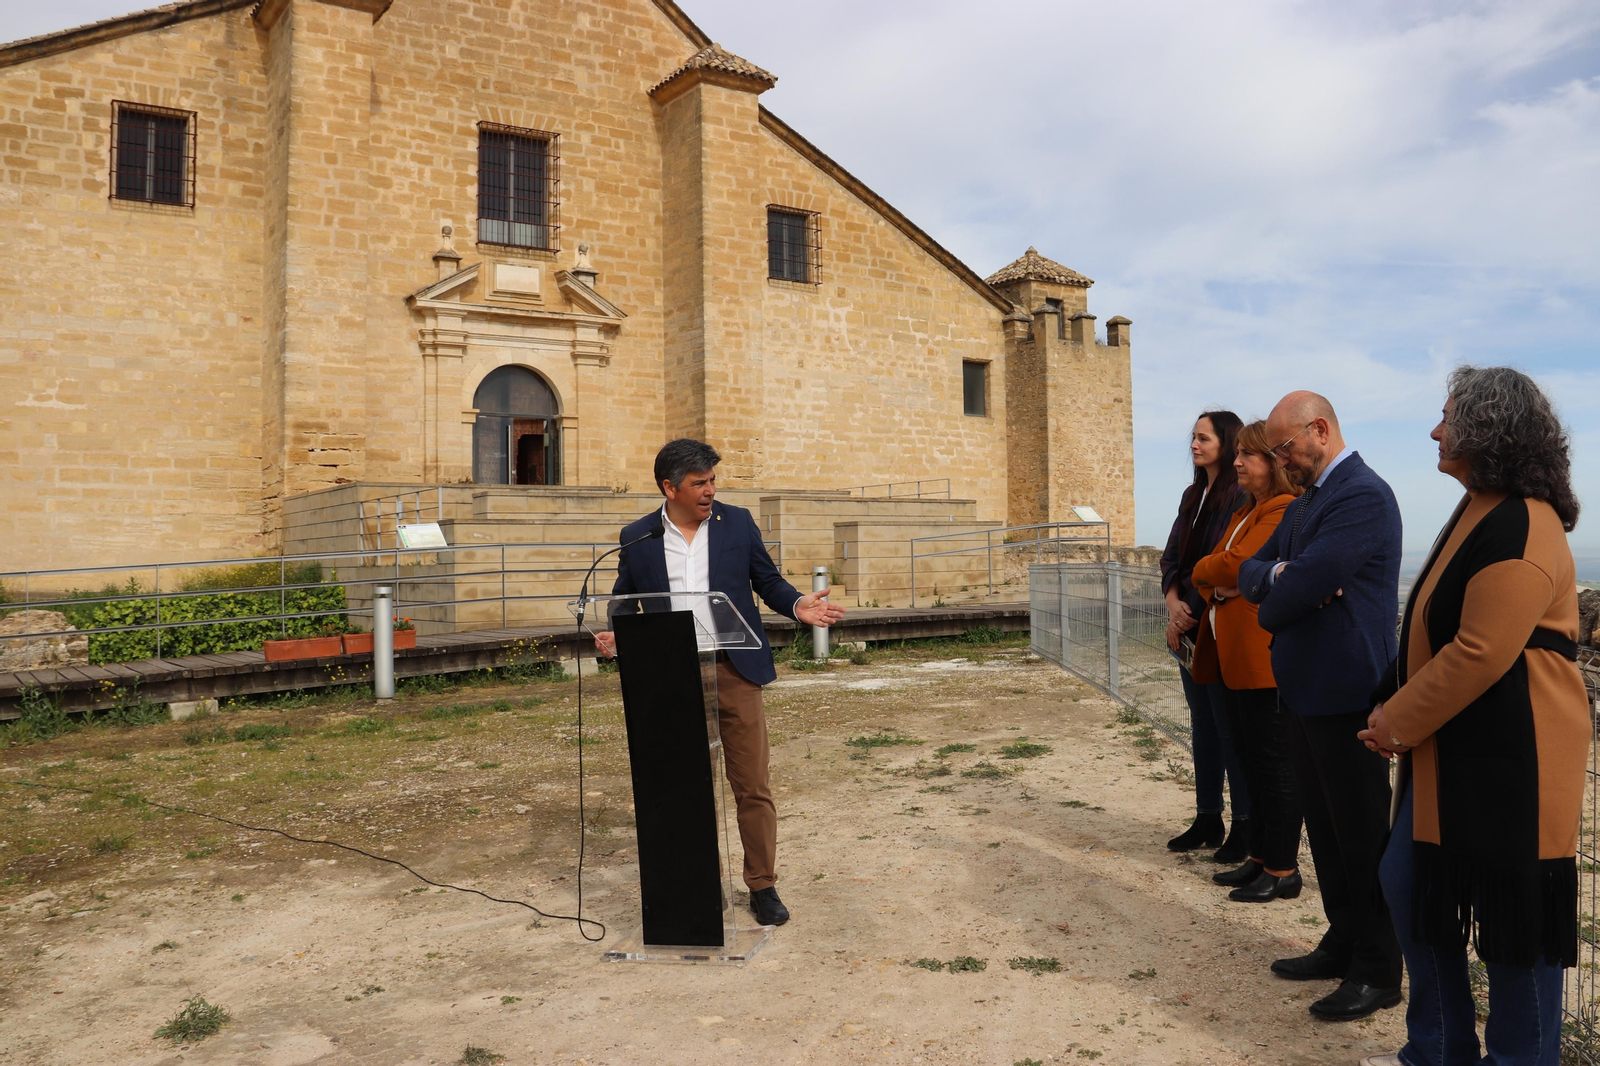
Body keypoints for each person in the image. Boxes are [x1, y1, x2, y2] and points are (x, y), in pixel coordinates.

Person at [1357, 367, 1587, 1066]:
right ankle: (1435, 1051)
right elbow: (1432, 623)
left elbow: (1480, 651)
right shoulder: (1479, 509)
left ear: (1488, 430)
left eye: (1447, 417)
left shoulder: (1524, 520)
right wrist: (1391, 698)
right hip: (1453, 751)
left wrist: (1396, 720)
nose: (1434, 430)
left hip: (1515, 760)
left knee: (1514, 931)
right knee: (1410, 885)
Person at [593, 439, 845, 927]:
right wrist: (617, 633)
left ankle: (763, 886)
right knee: (681, 787)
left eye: (712, 481)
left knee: (751, 784)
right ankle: (695, 884)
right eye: (699, 483)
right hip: (671, 674)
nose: (710, 490)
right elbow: (626, 599)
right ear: (670, 488)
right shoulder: (638, 535)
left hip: (733, 669)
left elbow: (766, 581)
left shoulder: (738, 523)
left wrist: (797, 606)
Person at [1237, 391, 1404, 1022]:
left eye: (1286, 448)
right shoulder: (1310, 502)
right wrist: (1282, 579)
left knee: (1361, 835)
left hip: (1349, 694)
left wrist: (1282, 585)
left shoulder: (1361, 494)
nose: (1282, 462)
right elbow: (1256, 572)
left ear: (1321, 430)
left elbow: (1286, 591)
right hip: (1306, 688)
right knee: (1328, 834)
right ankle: (1343, 939)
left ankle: (1378, 968)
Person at [1190, 420, 1304, 903]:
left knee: (1274, 766)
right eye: (1236, 453)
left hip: (1261, 662)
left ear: (1274, 464)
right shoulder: (1249, 511)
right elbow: (1207, 566)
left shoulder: (1280, 509)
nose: (1237, 462)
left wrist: (1227, 574)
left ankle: (1282, 868)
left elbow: (1235, 566)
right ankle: (1259, 858)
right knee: (1253, 762)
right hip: (1235, 660)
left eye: (1248, 455)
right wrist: (1221, 576)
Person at [1159, 410, 1252, 861]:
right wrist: (1172, 602)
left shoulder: (1238, 497)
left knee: (1227, 728)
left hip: (1212, 629)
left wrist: (1186, 614)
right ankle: (1207, 818)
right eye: (1192, 438)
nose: (1194, 445)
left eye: (1203, 438)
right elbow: (1173, 557)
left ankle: (1244, 826)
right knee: (1204, 728)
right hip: (1189, 626)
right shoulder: (1192, 495)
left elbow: (1221, 562)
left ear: (1227, 442)